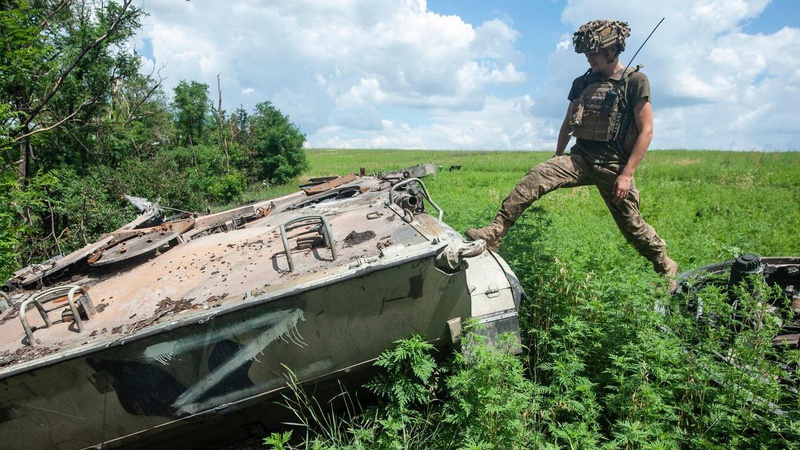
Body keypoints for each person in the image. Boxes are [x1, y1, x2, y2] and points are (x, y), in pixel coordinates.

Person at [465, 19, 678, 278]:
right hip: (581, 159)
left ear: (612, 51)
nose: (589, 58)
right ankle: (494, 232)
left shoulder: (635, 81)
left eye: (594, 52)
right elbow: (568, 123)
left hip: (613, 166)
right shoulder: (582, 83)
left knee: (632, 227)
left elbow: (646, 131)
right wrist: (556, 158)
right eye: (586, 53)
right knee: (536, 176)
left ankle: (665, 266)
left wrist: (627, 174)